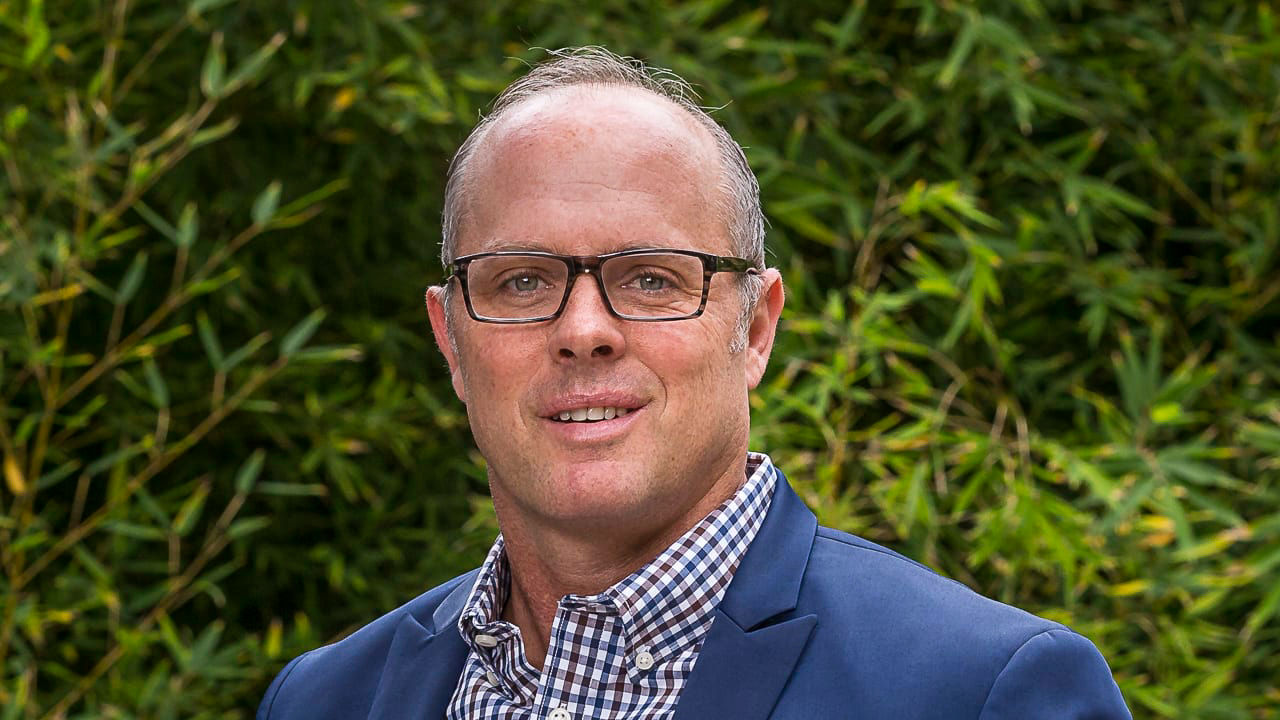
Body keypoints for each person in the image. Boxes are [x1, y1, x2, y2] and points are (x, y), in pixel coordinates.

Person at [257, 47, 1131, 720]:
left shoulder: (980, 691)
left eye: (651, 279)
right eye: (521, 280)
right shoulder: (323, 700)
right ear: (451, 340)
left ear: (754, 329)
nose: (584, 331)